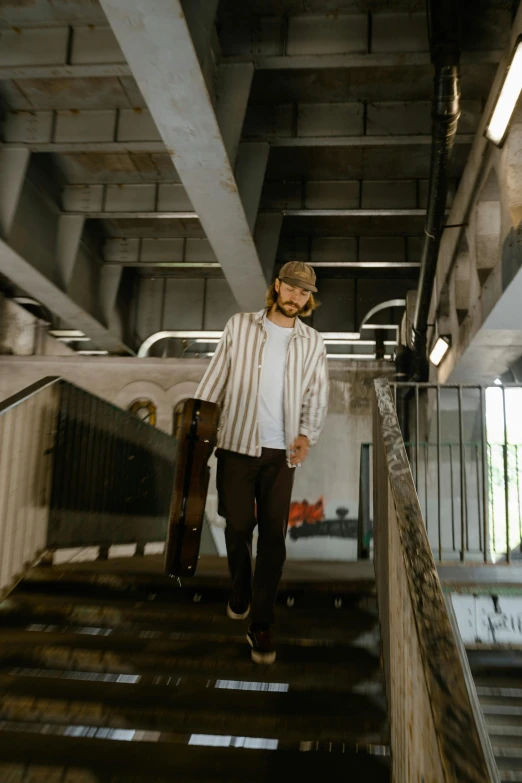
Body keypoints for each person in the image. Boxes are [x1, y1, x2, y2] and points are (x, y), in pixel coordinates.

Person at [195, 261, 329, 664]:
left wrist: (307, 434)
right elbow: (215, 377)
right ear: (277, 286)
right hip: (235, 443)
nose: (296, 298)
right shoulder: (240, 326)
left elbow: (317, 394)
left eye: (304, 293)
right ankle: (240, 588)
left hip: (281, 453)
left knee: (273, 539)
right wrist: (198, 425)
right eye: (291, 289)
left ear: (309, 298)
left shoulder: (312, 342)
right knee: (237, 526)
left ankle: (262, 624)